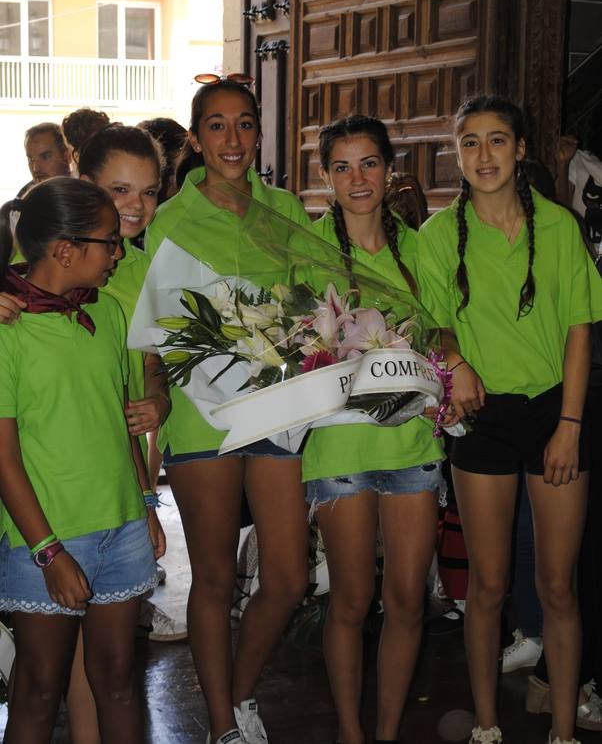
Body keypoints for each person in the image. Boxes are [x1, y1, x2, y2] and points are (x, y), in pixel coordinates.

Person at [416, 94, 602, 744]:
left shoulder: (557, 227)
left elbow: (580, 329)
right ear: (457, 153)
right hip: (482, 420)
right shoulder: (439, 235)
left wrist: (570, 425)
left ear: (521, 149)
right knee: (488, 586)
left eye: (497, 141)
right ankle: (487, 726)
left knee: (558, 585)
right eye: (470, 142)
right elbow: (431, 324)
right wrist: (455, 359)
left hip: (557, 413)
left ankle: (562, 732)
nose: (484, 155)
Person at [144, 75, 313, 744]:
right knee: (214, 578)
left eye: (244, 124)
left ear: (259, 132)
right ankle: (221, 726)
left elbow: (314, 300)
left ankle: (241, 693)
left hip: (276, 409)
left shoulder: (286, 209)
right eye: (217, 126)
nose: (233, 139)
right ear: (196, 138)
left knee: (291, 577)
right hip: (200, 416)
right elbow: (155, 327)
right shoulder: (170, 220)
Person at [0, 176, 165, 744]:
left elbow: (118, 422)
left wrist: (145, 502)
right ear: (66, 250)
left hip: (120, 527)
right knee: (39, 690)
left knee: (120, 679)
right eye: (108, 242)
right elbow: (4, 459)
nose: (118, 253)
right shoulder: (8, 331)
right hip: (42, 538)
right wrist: (49, 552)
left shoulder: (108, 317)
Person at [301, 115, 448, 744]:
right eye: (342, 166)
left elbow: (445, 329)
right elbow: (290, 344)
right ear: (325, 176)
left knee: (409, 599)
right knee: (353, 600)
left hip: (413, 445)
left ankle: (386, 733)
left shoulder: (420, 248)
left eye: (368, 164)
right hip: (339, 445)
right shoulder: (301, 246)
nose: (357, 179)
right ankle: (350, 733)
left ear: (390, 171)